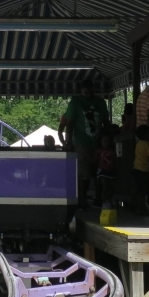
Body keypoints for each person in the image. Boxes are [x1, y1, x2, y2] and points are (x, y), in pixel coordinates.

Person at [59, 78, 110, 207]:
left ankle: (99, 199)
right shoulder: (75, 103)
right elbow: (68, 124)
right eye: (86, 92)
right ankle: (82, 201)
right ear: (81, 91)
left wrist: (110, 138)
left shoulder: (100, 102)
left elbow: (106, 121)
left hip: (98, 142)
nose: (88, 95)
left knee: (100, 172)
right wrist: (68, 142)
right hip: (81, 143)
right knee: (84, 174)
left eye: (91, 92)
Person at [131, 125, 149, 216]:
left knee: (139, 189)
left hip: (136, 169)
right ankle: (142, 208)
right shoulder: (147, 144)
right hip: (144, 170)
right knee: (143, 191)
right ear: (146, 135)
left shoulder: (138, 143)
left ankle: (134, 205)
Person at [95, 133, 117, 208]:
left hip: (111, 171)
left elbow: (114, 160)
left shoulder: (113, 151)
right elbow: (96, 160)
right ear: (101, 142)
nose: (106, 143)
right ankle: (104, 203)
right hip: (102, 171)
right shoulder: (99, 151)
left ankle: (108, 199)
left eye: (108, 141)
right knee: (104, 187)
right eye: (104, 141)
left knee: (111, 187)